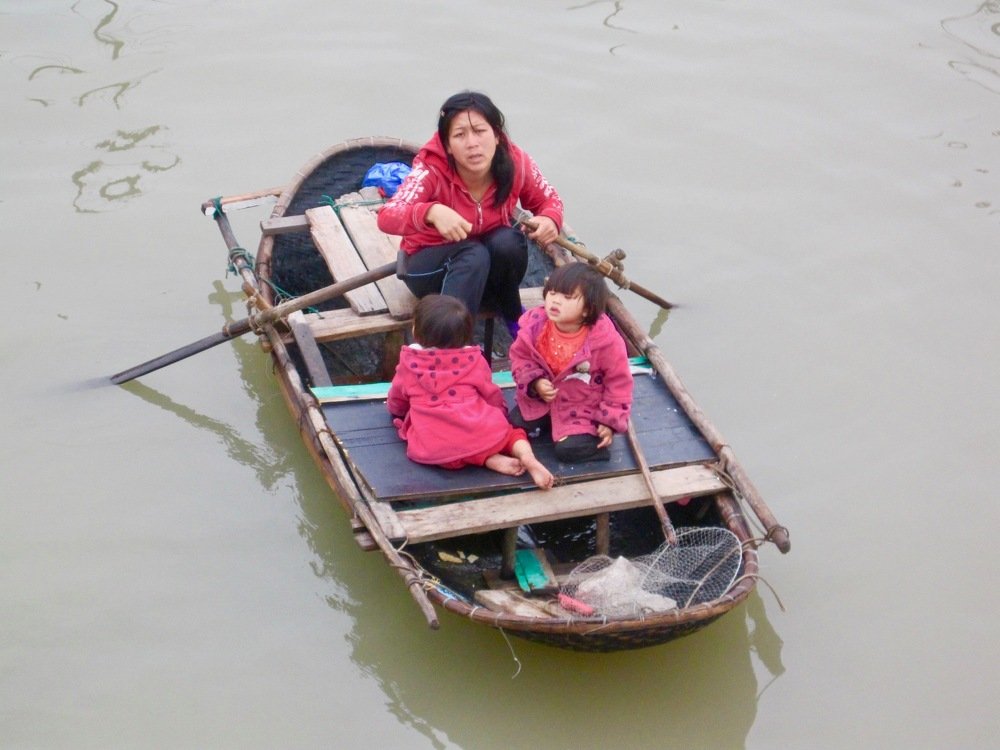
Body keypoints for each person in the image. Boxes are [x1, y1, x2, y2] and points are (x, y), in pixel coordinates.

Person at [377, 90, 564, 337]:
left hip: (487, 273)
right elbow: (388, 216)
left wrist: (550, 219)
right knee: (472, 254)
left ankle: (512, 315)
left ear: (497, 135)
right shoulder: (431, 168)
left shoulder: (517, 162)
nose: (472, 143)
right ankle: (452, 342)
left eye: (480, 131)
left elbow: (551, 200)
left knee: (508, 242)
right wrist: (430, 211)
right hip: (428, 271)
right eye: (460, 135)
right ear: (448, 146)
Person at [387, 295, 554, 490]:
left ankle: (487, 460)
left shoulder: (409, 363)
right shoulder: (473, 359)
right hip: (478, 430)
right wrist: (500, 412)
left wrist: (397, 411)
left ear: (416, 331)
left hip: (435, 446)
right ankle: (527, 457)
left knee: (449, 453)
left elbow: (396, 399)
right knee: (511, 434)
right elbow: (491, 394)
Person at [509, 263, 633, 463]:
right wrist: (535, 383)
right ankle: (550, 422)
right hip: (542, 399)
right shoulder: (535, 326)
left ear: (587, 310)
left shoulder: (606, 341)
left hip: (581, 404)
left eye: (567, 297)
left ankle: (592, 445)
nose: (555, 301)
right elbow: (520, 357)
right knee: (514, 425)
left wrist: (609, 421)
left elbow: (619, 383)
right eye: (553, 293)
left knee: (567, 451)